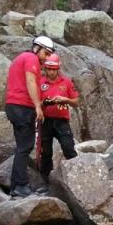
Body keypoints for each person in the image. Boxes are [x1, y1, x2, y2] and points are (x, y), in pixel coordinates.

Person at [4, 35, 56, 198]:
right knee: (25, 147)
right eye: (46, 53)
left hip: (14, 105)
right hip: (22, 106)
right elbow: (30, 82)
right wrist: (37, 106)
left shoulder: (22, 58)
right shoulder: (31, 58)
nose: (47, 58)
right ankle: (20, 186)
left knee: (22, 146)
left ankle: (17, 185)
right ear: (37, 48)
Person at [37, 53, 79, 186]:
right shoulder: (41, 82)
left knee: (68, 148)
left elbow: (76, 101)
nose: (51, 72)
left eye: (53, 69)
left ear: (58, 69)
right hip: (46, 120)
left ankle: (77, 177)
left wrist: (65, 99)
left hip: (62, 121)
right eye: (49, 69)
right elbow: (36, 102)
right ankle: (46, 182)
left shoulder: (66, 82)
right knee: (46, 153)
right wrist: (45, 103)